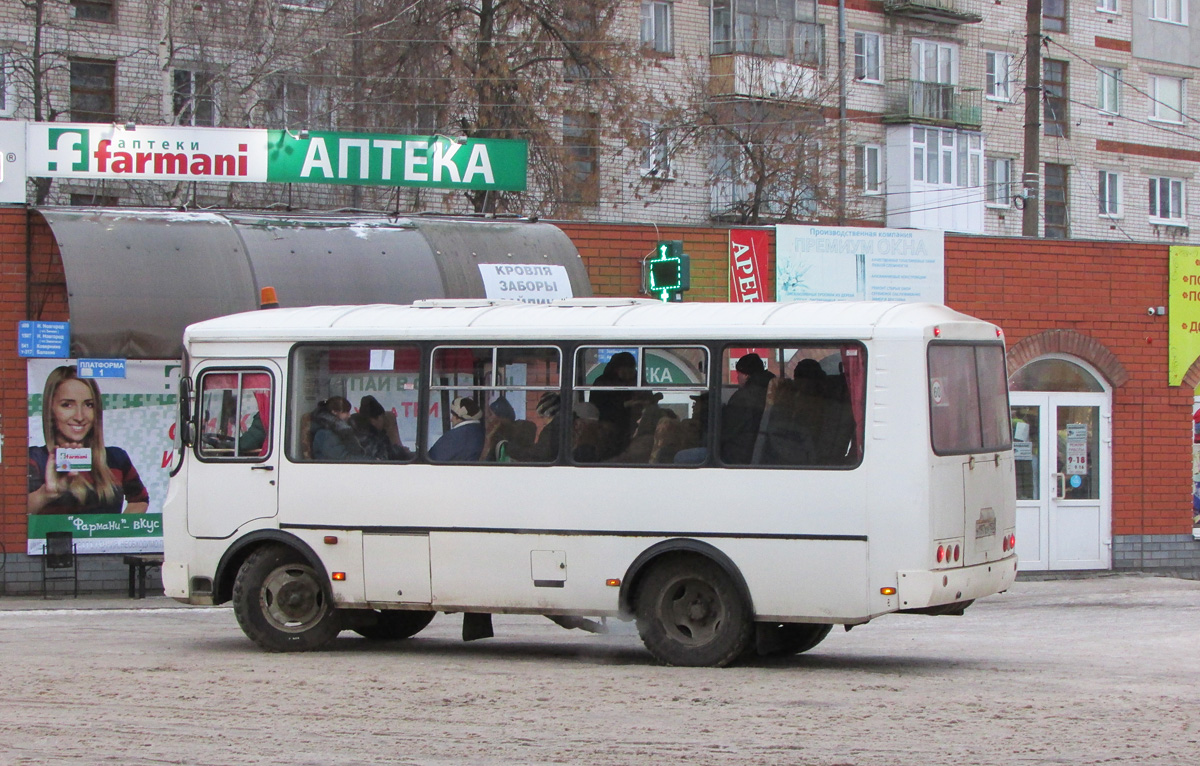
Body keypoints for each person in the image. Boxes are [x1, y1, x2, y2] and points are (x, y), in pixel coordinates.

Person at [28, 365, 149, 515]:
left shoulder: (116, 458)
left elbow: (139, 499)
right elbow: (11, 513)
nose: (79, 416)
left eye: (89, 405)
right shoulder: (34, 459)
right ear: (50, 409)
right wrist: (45, 494)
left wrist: (118, 533)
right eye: (67, 405)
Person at [720, 352, 775, 464]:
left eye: (738, 373)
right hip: (763, 453)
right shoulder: (771, 391)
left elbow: (727, 431)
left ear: (745, 375)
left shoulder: (742, 397)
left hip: (738, 454)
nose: (737, 377)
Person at [590, 352, 637, 447]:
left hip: (632, 423)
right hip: (607, 424)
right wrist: (624, 404)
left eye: (631, 372)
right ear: (617, 370)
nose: (629, 376)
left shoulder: (635, 380)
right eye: (625, 372)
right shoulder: (602, 383)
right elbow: (598, 408)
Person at [350, 395, 412, 461]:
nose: (385, 420)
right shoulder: (367, 437)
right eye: (383, 417)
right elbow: (384, 454)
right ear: (374, 420)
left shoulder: (375, 433)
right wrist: (401, 451)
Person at [429, 396, 485, 461]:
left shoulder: (454, 436)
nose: (451, 419)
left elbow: (432, 459)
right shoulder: (480, 432)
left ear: (459, 417)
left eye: (453, 416)